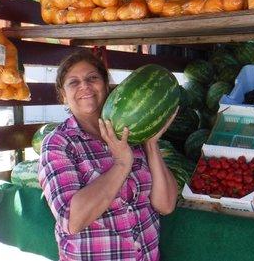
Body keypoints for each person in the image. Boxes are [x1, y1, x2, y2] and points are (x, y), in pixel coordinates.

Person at [38, 50, 179, 261]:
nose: (84, 86)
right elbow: (72, 220)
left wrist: (150, 143)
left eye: (92, 78)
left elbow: (165, 205)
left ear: (107, 86)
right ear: (63, 96)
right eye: (73, 82)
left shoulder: (131, 134)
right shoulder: (58, 144)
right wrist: (122, 164)